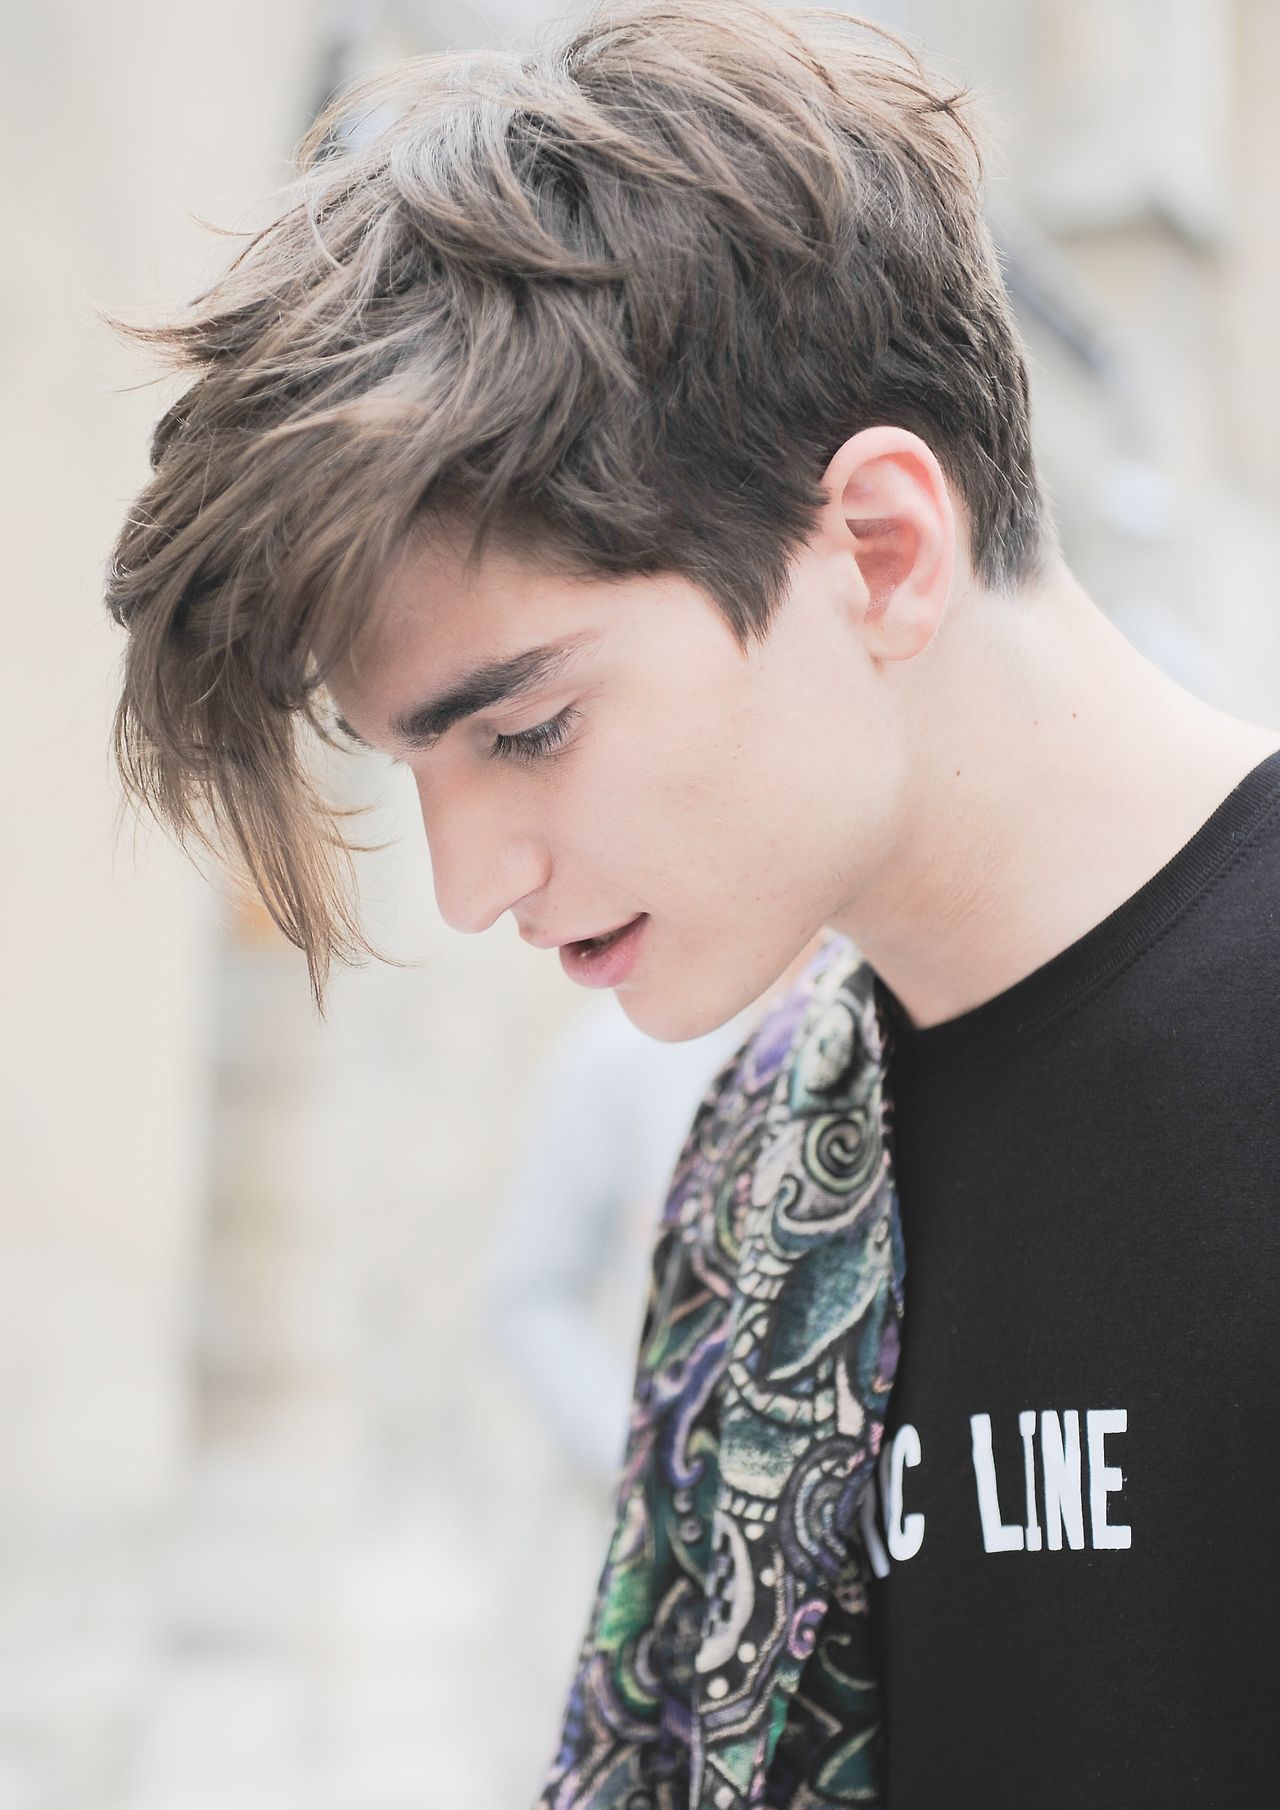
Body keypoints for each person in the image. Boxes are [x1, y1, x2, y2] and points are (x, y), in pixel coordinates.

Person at [103, 1, 1280, 1803]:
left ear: (881, 547)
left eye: (528, 729)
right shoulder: (764, 1161)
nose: (469, 881)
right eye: (415, 765)